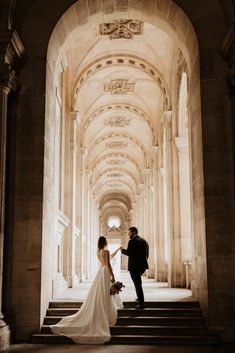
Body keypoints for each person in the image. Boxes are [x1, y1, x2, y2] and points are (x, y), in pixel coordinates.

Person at [51, 236, 122, 344]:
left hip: (100, 272)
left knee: (102, 293)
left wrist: (117, 249)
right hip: (106, 272)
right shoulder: (106, 251)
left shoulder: (98, 251)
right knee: (105, 293)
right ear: (105, 242)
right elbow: (109, 265)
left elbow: (109, 258)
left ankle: (103, 309)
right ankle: (104, 312)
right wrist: (113, 276)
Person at [121, 227, 149, 309]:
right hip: (142, 266)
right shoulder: (144, 241)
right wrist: (143, 263)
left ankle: (141, 304)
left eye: (129, 233)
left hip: (134, 267)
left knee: (137, 285)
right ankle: (139, 298)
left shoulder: (132, 241)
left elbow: (130, 253)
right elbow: (147, 254)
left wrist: (122, 250)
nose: (128, 234)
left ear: (133, 232)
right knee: (138, 283)